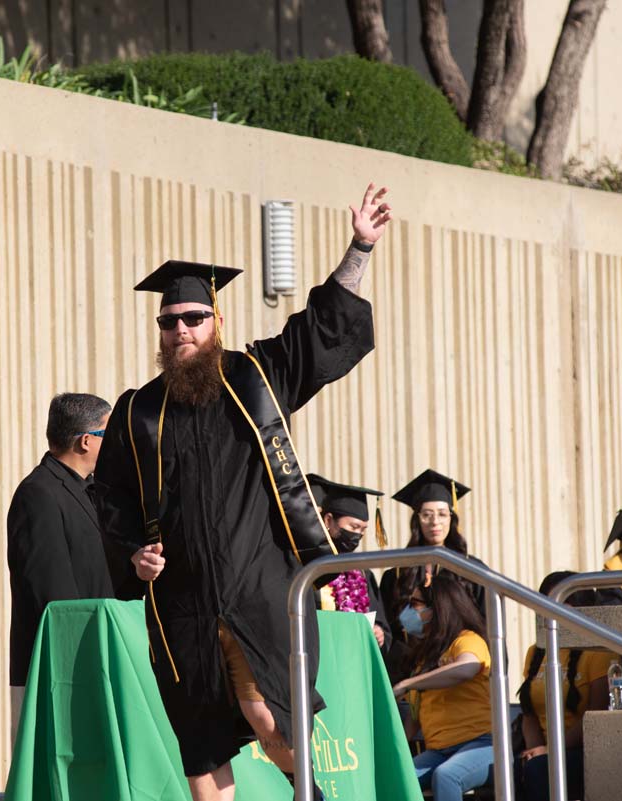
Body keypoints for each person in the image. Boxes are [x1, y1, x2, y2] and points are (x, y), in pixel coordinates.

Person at [95, 184, 391, 801]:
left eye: (193, 318)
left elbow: (321, 330)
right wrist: (132, 553)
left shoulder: (255, 376)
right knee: (199, 747)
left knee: (268, 717)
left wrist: (359, 248)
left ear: (216, 321)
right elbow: (111, 500)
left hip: (258, 588)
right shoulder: (136, 413)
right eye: (170, 321)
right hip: (181, 602)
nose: (181, 330)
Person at [6, 392, 115, 738]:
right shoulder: (38, 494)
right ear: (87, 441)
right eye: (109, 435)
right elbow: (52, 593)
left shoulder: (95, 491)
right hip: (61, 669)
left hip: (96, 660)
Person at [516, 571, 622, 801]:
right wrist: (535, 750)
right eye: (542, 602)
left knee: (539, 770)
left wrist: (550, 751)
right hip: (547, 750)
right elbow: (528, 713)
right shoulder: (536, 651)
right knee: (512, 768)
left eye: (556, 603)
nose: (546, 611)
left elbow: (595, 715)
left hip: (584, 751)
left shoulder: (598, 650)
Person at [391, 573, 494, 801]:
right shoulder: (425, 655)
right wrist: (393, 753)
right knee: (394, 779)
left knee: (447, 776)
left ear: (439, 608)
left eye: (416, 604)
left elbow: (467, 667)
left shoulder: (467, 640)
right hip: (438, 751)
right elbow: (416, 716)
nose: (409, 611)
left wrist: (409, 683)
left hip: (482, 744)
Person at [380, 470, 486, 677]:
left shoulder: (472, 569)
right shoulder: (397, 573)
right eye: (426, 514)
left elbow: (488, 626)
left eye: (442, 514)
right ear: (417, 520)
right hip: (407, 670)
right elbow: (388, 632)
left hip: (458, 666)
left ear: (451, 518)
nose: (434, 521)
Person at [306, 474, 390, 651]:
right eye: (353, 527)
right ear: (328, 520)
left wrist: (379, 632)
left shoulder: (361, 573)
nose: (357, 535)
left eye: (362, 529)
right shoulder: (308, 566)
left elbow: (379, 621)